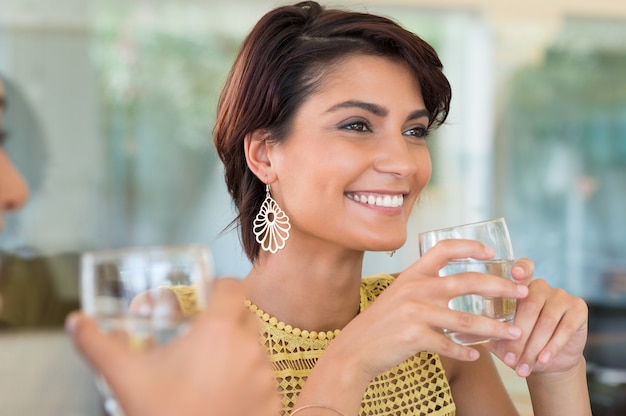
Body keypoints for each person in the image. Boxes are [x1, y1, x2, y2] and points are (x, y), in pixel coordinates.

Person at [195, 1, 586, 415]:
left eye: (414, 131)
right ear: (264, 155)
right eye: (357, 125)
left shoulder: (435, 324)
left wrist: (557, 371)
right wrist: (350, 360)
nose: (404, 163)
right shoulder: (183, 334)